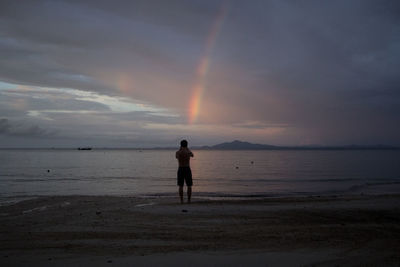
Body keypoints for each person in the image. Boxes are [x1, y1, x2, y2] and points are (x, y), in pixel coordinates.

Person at [175, 139, 194, 204]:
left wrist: (180, 150)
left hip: (180, 168)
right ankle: (189, 200)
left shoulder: (178, 152)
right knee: (189, 185)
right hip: (187, 168)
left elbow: (176, 157)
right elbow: (192, 155)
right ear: (187, 145)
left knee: (180, 186)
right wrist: (187, 149)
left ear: (180, 145)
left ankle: (181, 200)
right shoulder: (188, 152)